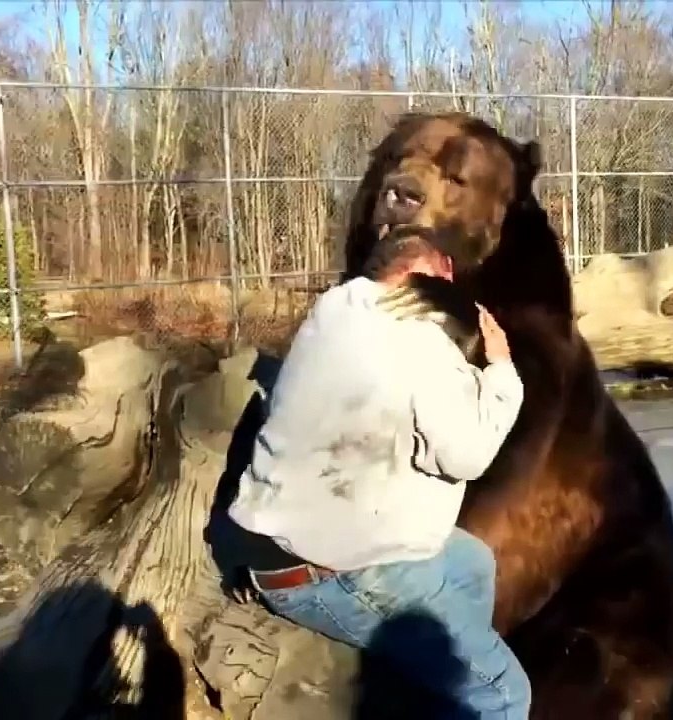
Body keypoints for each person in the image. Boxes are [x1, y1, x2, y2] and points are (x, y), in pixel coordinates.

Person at [226, 229, 530, 718]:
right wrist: (499, 371)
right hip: (333, 572)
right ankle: (471, 688)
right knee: (504, 693)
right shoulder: (416, 336)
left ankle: (443, 685)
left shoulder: (335, 307)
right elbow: (467, 455)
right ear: (421, 277)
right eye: (447, 279)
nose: (454, 293)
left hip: (289, 538)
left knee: (471, 561)